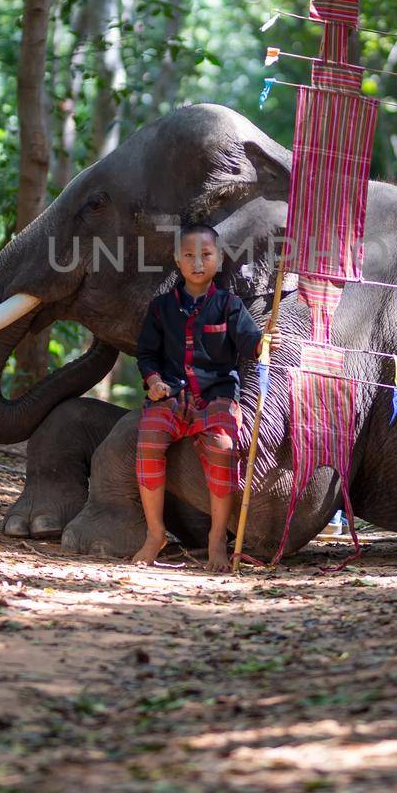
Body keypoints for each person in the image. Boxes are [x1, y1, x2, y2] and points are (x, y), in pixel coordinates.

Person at [132, 223, 266, 570]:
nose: (197, 263)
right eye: (189, 255)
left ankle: (217, 537)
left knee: (223, 449)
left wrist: (265, 342)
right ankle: (155, 532)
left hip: (216, 396)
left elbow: (253, 344)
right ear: (177, 260)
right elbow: (146, 355)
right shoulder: (161, 307)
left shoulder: (229, 305)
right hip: (172, 396)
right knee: (148, 438)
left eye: (205, 255)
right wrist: (153, 380)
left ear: (218, 260)